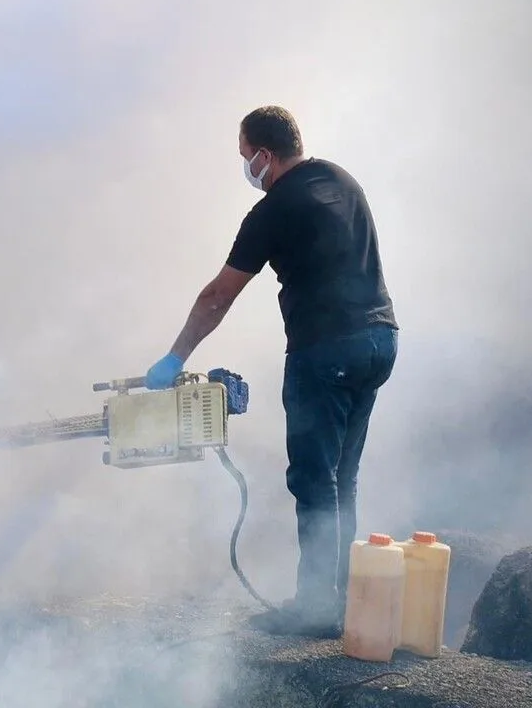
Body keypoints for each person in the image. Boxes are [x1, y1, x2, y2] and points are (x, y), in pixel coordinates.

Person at [143, 105, 399, 637]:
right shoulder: (341, 180)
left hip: (325, 351)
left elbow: (217, 298)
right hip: (380, 342)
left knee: (312, 478)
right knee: (342, 478)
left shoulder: (273, 210)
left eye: (245, 157)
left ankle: (314, 609)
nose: (246, 169)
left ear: (265, 154)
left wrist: (176, 357)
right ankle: (345, 601)